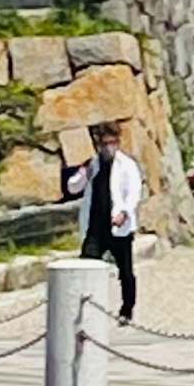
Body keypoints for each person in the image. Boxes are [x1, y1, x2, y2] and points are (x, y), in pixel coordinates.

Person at [68, 117, 141, 326]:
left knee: (125, 271)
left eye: (112, 143)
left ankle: (127, 310)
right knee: (86, 267)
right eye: (105, 143)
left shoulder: (126, 165)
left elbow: (133, 192)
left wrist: (124, 212)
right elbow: (73, 187)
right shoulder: (93, 164)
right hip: (96, 226)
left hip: (118, 226)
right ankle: (84, 310)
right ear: (98, 144)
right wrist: (83, 173)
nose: (109, 148)